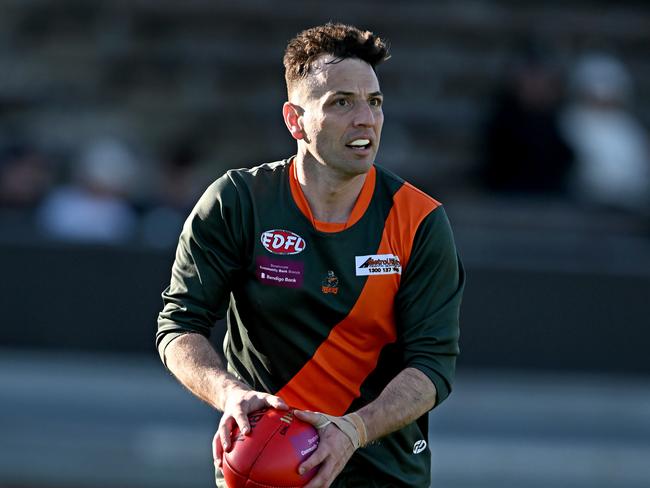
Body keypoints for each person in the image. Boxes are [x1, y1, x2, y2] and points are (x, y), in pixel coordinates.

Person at [157, 23, 464, 488]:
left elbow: (432, 367)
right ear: (294, 119)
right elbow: (179, 325)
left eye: (375, 102)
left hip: (382, 470)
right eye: (342, 102)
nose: (366, 119)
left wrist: (352, 431)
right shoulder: (238, 201)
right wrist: (230, 394)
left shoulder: (419, 220)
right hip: (266, 463)